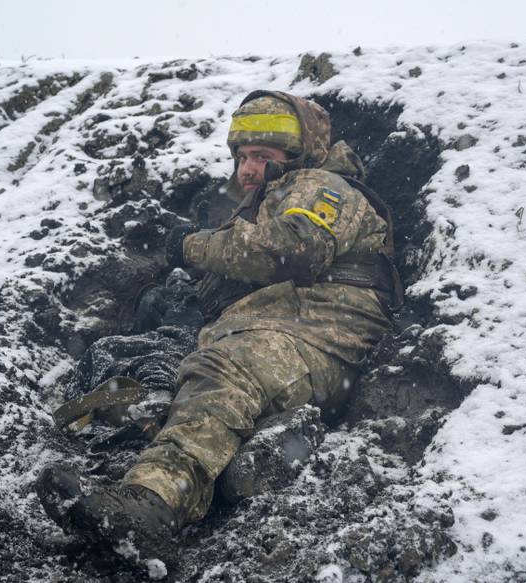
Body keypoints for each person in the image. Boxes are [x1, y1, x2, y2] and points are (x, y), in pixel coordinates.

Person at [36, 90, 402, 563]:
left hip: (316, 339)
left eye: (262, 157)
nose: (247, 169)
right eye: (241, 157)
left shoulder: (322, 186)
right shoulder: (266, 204)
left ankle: (150, 508)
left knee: (224, 372)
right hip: (281, 342)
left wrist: (190, 246)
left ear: (298, 154)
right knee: (180, 381)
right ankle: (247, 467)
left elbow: (293, 250)